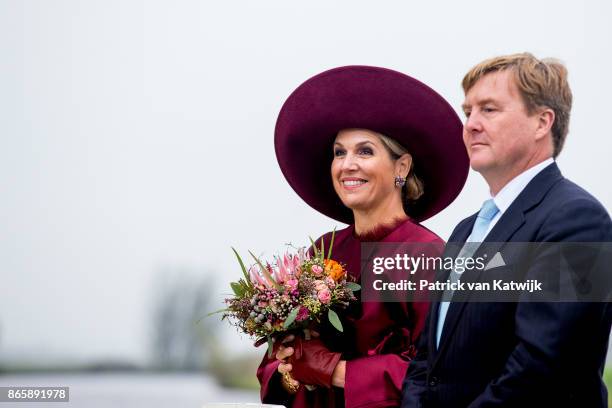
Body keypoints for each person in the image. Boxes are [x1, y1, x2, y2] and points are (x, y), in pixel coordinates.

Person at [401, 53, 612, 407]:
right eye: (468, 112)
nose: (470, 125)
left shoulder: (579, 220)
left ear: (542, 122)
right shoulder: (465, 230)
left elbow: (542, 366)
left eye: (489, 109)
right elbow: (427, 360)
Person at [256, 65, 469, 407]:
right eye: (339, 152)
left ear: (402, 167)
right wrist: (288, 367)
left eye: (365, 151)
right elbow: (273, 364)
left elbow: (437, 373)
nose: (347, 164)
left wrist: (332, 371)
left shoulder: (428, 255)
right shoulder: (323, 250)